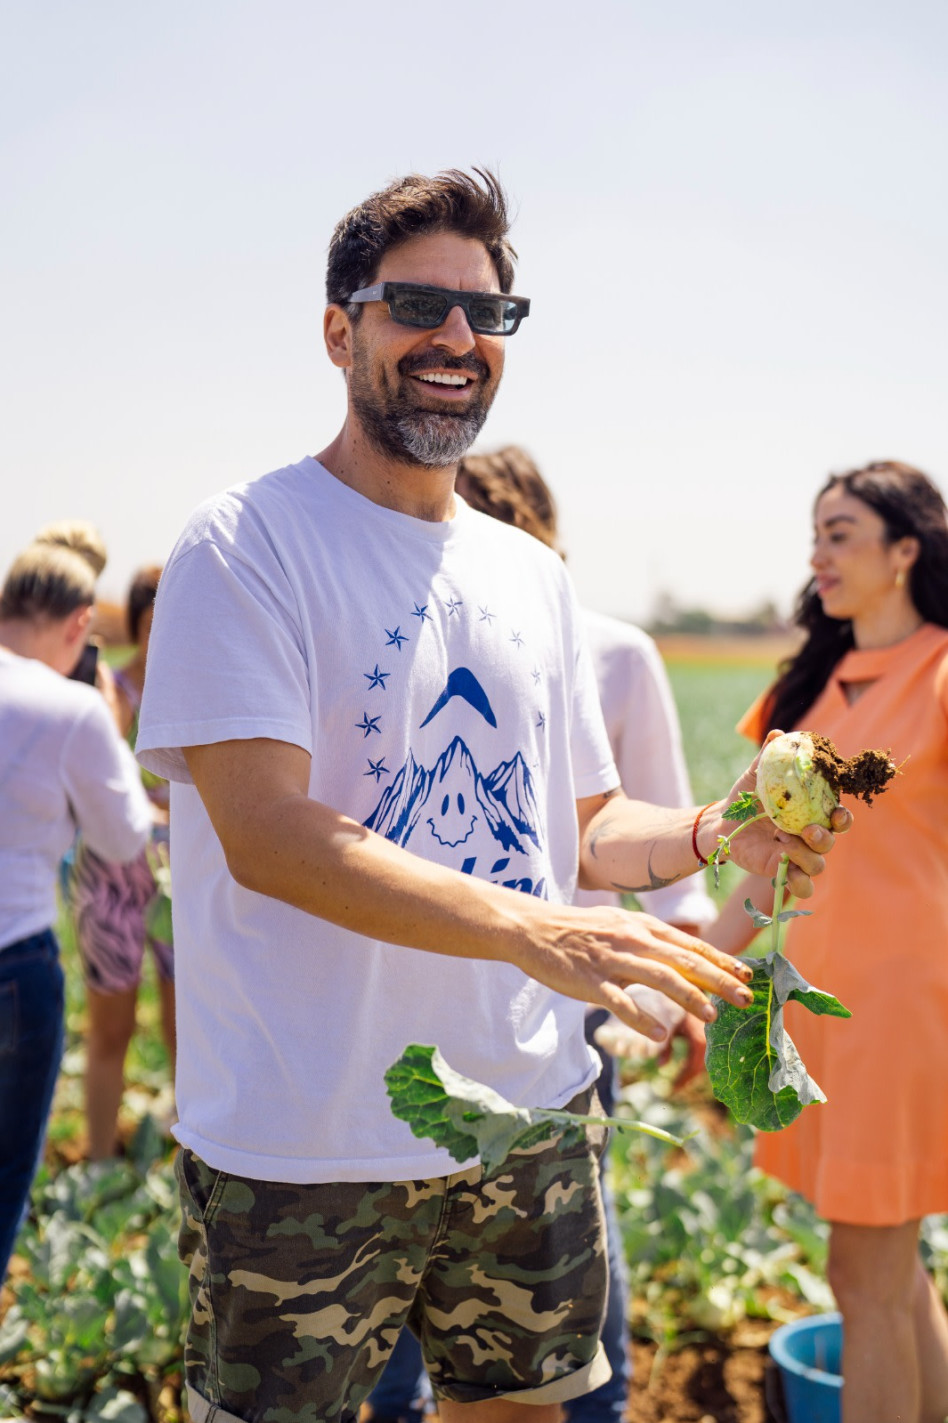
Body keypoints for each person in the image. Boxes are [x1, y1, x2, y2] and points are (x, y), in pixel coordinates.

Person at [135, 168, 845, 1423]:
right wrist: (544, 931)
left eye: (489, 313)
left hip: (527, 1119)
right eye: (418, 304)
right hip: (307, 1137)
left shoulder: (529, 574)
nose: (458, 339)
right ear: (338, 329)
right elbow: (272, 837)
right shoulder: (246, 542)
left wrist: (707, 832)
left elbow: (579, 827)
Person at [366, 447, 717, 1423]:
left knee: (567, 1250)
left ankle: (594, 1405)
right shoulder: (403, 637)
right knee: (402, 1255)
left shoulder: (607, 649)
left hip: (566, 1012)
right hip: (418, 1005)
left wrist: (671, 979)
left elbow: (624, 826)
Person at [707, 461, 948, 1423]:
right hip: (818, 1013)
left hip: (906, 1016)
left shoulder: (940, 674)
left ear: (905, 550)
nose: (819, 555)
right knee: (893, 1267)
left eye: (840, 533)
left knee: (864, 1274)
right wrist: (700, 972)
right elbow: (760, 861)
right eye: (815, 535)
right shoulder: (804, 691)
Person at [0, 542, 151, 1279]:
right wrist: (108, 722)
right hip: (13, 958)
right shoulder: (69, 709)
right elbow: (120, 836)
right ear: (80, 624)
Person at [71, 565, 175, 1159]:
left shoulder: (198, 698)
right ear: (138, 624)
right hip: (108, 881)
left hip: (178, 885)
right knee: (110, 1027)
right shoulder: (106, 694)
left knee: (185, 1027)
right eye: (154, 621)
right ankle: (98, 1157)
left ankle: (192, 1160)